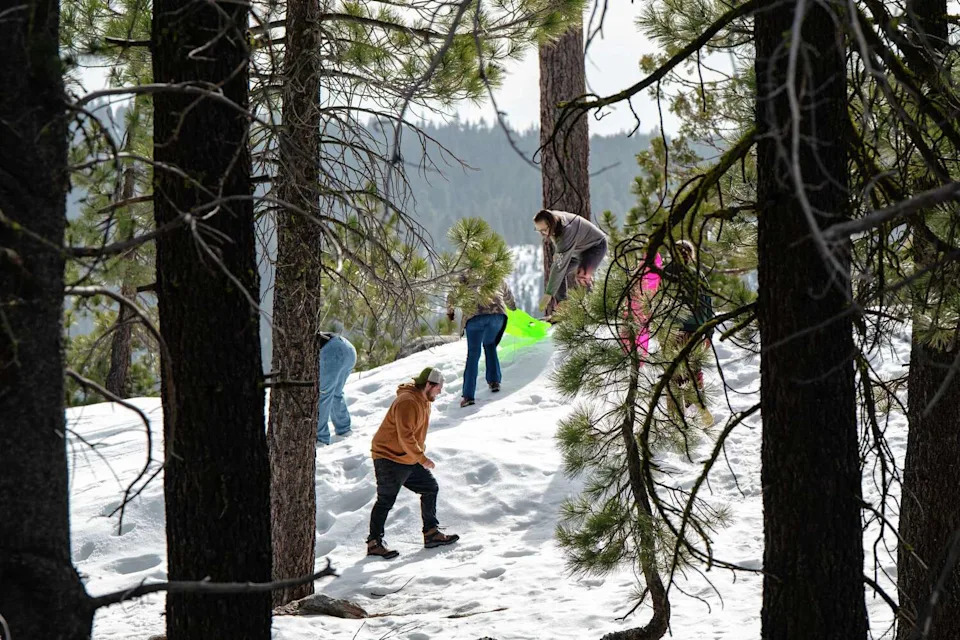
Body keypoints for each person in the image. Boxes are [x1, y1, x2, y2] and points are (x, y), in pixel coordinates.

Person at [366, 367, 460, 559]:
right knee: (386, 500)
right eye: (438, 388)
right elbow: (405, 436)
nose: (440, 391)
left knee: (430, 488)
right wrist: (422, 458)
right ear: (428, 385)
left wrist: (417, 455)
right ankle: (374, 543)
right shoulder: (407, 402)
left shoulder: (424, 400)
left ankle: (431, 533)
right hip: (389, 457)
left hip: (407, 457)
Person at [662, 239, 714, 425]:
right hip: (697, 333)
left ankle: (675, 417)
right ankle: (700, 413)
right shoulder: (698, 274)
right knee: (694, 373)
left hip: (673, 331)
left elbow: (660, 304)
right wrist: (709, 334)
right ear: (690, 255)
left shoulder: (666, 273)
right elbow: (708, 306)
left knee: (673, 374)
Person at [447, 278, 517, 408]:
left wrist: (450, 313)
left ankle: (468, 396)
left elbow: (452, 295)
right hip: (498, 315)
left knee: (473, 354)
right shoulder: (496, 275)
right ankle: (494, 381)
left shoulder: (465, 277)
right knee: (490, 344)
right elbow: (508, 297)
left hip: (474, 316)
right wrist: (513, 307)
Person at [534, 209, 608, 317]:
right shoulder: (552, 219)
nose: (542, 234)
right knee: (559, 274)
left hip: (595, 246)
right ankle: (563, 308)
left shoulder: (566, 231)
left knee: (582, 276)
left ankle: (592, 310)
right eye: (538, 230)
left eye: (544, 230)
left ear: (551, 224)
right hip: (577, 249)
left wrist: (549, 293)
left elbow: (559, 266)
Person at [316, 331, 357, 446]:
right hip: (348, 348)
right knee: (335, 392)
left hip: (332, 352)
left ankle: (321, 438)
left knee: (324, 394)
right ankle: (344, 429)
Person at [620, 252, 663, 358]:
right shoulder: (657, 273)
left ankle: (629, 358)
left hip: (636, 309)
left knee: (631, 337)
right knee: (639, 338)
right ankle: (637, 360)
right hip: (643, 311)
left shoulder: (640, 270)